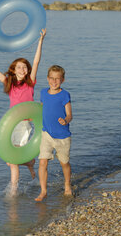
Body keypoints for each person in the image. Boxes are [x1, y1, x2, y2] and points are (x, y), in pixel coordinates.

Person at [0, 29, 46, 195]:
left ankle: (13, 190)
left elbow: (37, 61)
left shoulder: (30, 82)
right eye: (19, 67)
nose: (23, 69)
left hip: (25, 124)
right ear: (13, 70)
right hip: (12, 124)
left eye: (25, 67)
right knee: (11, 160)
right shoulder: (9, 83)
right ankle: (31, 163)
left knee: (12, 161)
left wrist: (40, 41)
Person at [35, 65, 72, 202]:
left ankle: (67, 185)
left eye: (57, 79)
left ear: (62, 80)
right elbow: (42, 110)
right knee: (43, 162)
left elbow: (70, 114)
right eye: (52, 78)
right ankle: (43, 191)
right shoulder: (43, 93)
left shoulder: (64, 95)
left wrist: (66, 120)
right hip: (47, 134)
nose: (54, 81)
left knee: (64, 163)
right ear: (47, 78)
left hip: (62, 136)